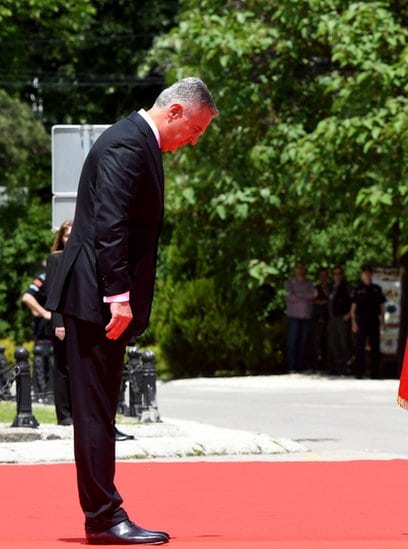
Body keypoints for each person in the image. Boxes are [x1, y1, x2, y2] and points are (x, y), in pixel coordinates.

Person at [44, 77, 217, 545]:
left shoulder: (136, 141)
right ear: (177, 111)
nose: (194, 140)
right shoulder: (128, 143)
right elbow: (110, 223)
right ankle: (103, 517)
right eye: (196, 129)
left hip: (96, 297)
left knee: (99, 410)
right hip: (95, 298)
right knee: (96, 411)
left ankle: (102, 514)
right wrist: (117, 294)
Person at [22, 224, 72, 425]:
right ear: (61, 238)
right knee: (59, 367)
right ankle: (65, 414)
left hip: (80, 321)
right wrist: (48, 316)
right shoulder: (55, 260)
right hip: (56, 324)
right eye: (67, 235)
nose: (70, 238)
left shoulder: (86, 256)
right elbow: (37, 295)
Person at [351, 265, 386, 379]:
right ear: (362, 275)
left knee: (375, 346)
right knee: (359, 347)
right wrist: (353, 322)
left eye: (369, 273)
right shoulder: (357, 289)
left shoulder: (377, 288)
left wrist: (383, 322)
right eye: (365, 273)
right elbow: (353, 309)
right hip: (361, 321)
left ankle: (375, 372)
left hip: (374, 320)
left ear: (372, 274)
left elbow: (382, 307)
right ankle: (359, 372)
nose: (367, 275)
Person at [285, 262, 316, 373]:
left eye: (301, 267)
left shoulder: (309, 282)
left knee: (303, 342)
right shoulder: (289, 282)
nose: (299, 269)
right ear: (295, 269)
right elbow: (290, 296)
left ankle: (300, 366)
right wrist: (304, 295)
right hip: (293, 315)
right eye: (297, 267)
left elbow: (313, 294)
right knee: (292, 341)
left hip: (306, 315)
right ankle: (291, 367)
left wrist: (299, 295)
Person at [327, 266, 353, 374]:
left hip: (342, 318)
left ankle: (348, 365)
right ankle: (338, 365)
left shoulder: (347, 287)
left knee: (344, 342)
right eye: (335, 274)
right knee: (334, 342)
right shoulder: (331, 287)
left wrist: (349, 314)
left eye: (339, 273)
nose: (337, 276)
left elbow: (354, 301)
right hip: (332, 319)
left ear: (342, 275)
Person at [311, 267, 331, 371]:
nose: (323, 277)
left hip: (329, 318)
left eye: (325, 275)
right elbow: (313, 301)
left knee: (327, 342)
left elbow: (332, 300)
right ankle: (316, 364)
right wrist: (326, 301)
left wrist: (326, 298)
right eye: (321, 275)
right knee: (316, 341)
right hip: (317, 318)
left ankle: (327, 363)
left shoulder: (330, 288)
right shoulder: (315, 288)